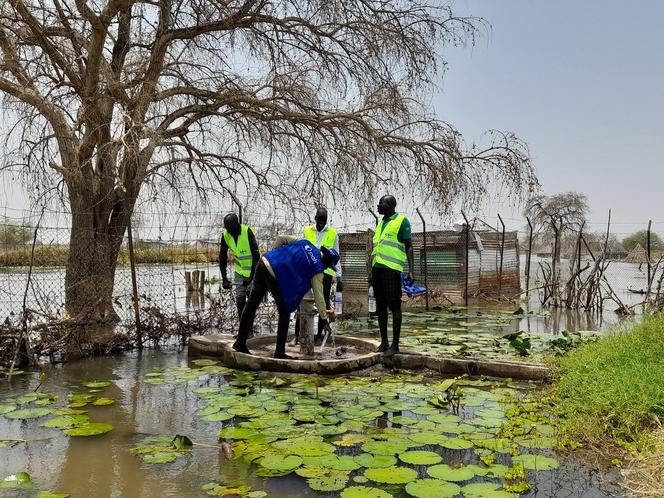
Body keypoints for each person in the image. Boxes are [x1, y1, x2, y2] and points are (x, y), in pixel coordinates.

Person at [232, 236, 339, 359]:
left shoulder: (305, 243)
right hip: (274, 274)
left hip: (264, 261)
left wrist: (274, 256)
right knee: (285, 310)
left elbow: (281, 238)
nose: (326, 269)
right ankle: (279, 352)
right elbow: (319, 296)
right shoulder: (318, 269)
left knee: (251, 304)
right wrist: (324, 319)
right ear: (326, 261)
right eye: (328, 266)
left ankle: (240, 342)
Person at [368, 195, 415, 356]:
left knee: (394, 306)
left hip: (392, 270)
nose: (378, 205)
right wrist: (371, 272)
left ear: (389, 205)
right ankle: (384, 342)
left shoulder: (402, 221)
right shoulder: (380, 223)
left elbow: (409, 247)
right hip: (378, 270)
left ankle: (395, 345)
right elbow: (376, 249)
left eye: (381, 203)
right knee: (380, 307)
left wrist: (411, 270)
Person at [290, 207, 342, 345]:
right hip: (307, 270)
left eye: (323, 221)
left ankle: (319, 336)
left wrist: (339, 276)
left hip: (326, 272)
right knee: (301, 301)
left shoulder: (333, 233)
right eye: (319, 220)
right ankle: (297, 335)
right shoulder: (307, 231)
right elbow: (300, 250)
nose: (321, 223)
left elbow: (336, 255)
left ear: (326, 220)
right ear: (315, 218)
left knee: (323, 302)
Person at [219, 214, 260, 330]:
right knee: (240, 299)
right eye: (226, 227)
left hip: (253, 269)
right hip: (239, 270)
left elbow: (256, 256)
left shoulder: (247, 232)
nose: (228, 230)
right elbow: (222, 257)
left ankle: (250, 331)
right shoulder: (226, 235)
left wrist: (251, 277)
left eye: (230, 227)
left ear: (237, 224)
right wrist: (224, 279)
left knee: (251, 300)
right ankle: (243, 331)